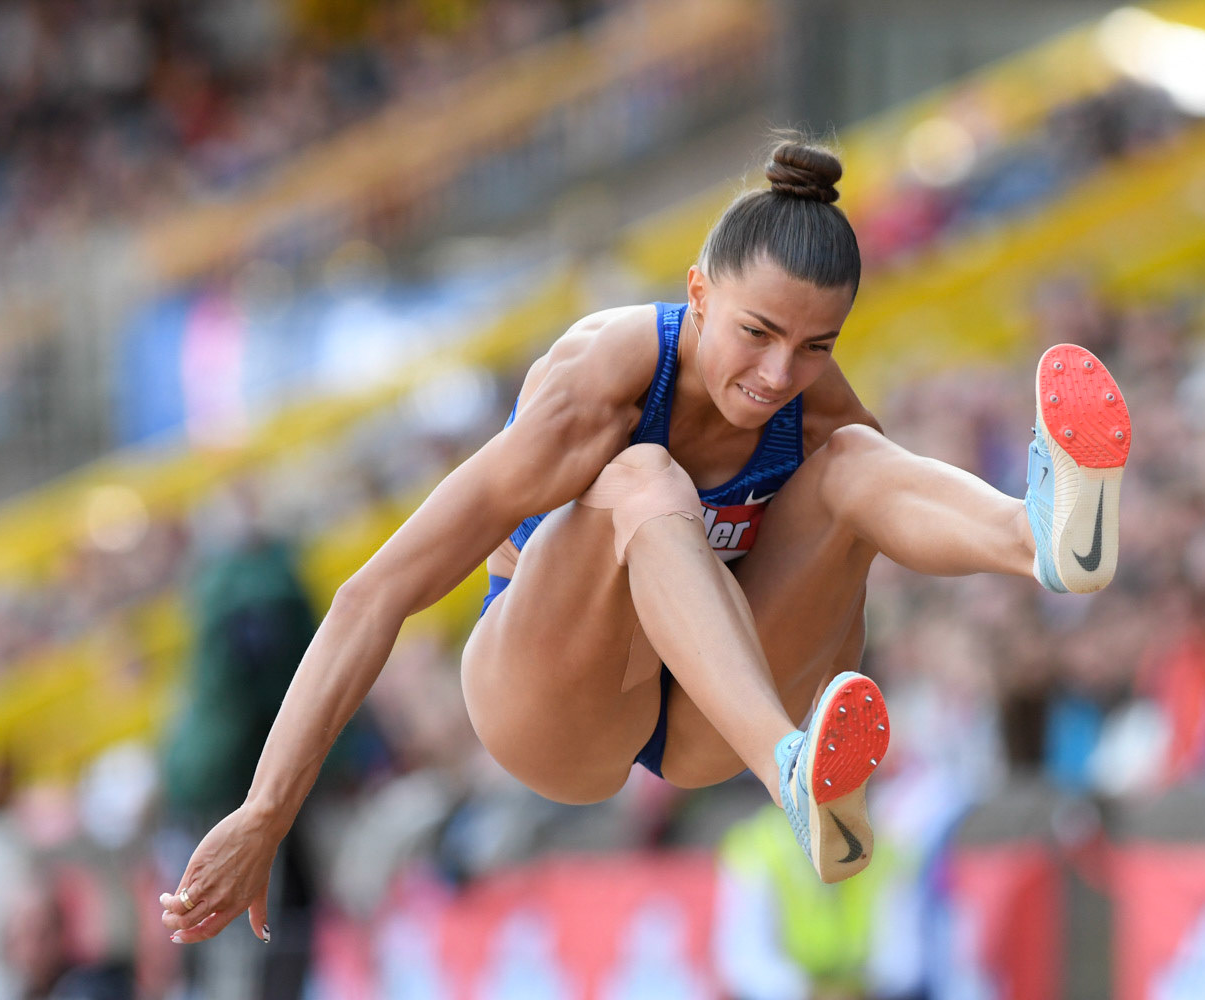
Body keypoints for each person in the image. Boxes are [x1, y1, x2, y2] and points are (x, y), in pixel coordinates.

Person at [158, 137, 1132, 944]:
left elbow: (869, 550)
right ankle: (790, 765)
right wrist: (265, 813)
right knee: (640, 474)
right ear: (698, 294)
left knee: (858, 463)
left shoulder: (811, 400)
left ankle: (1038, 535)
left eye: (815, 345)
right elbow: (373, 594)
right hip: (549, 707)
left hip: (704, 718)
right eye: (755, 332)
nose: (778, 373)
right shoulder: (598, 385)